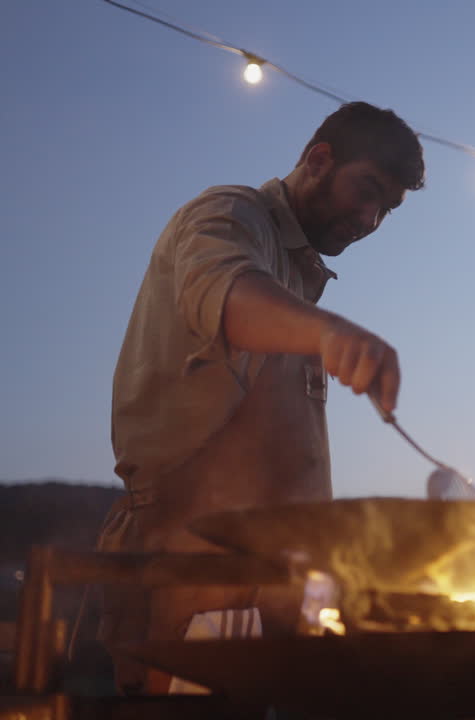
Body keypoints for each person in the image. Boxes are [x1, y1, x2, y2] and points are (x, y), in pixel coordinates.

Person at [97, 101, 425, 694]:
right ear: (319, 160)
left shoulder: (300, 276)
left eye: (388, 209)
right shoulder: (229, 214)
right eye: (367, 190)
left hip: (269, 570)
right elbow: (226, 294)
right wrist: (332, 334)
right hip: (183, 557)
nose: (371, 218)